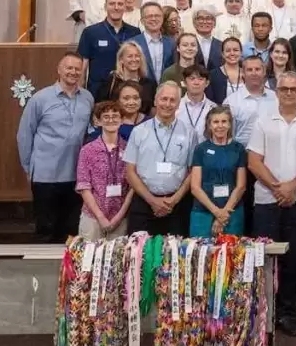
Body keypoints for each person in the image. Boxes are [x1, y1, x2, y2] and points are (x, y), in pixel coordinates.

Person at [247, 71, 296, 336]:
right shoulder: (263, 122)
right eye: (285, 89)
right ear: (277, 92)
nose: (289, 93)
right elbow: (254, 161)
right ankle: (263, 314)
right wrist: (278, 188)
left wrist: (291, 187)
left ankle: (288, 313)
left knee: (295, 258)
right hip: (267, 200)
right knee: (265, 258)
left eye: (294, 89)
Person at [17, 53, 95, 243]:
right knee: (46, 230)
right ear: (59, 70)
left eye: (77, 69)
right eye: (69, 68)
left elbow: (90, 133)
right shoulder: (40, 98)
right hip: (45, 175)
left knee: (71, 232)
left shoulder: (87, 98)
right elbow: (25, 134)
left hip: (76, 175)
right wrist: (29, 167)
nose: (73, 72)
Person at [124, 82, 198, 235]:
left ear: (179, 104)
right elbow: (130, 171)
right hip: (143, 204)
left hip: (176, 206)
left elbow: (193, 172)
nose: (168, 104)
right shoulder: (139, 131)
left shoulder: (190, 133)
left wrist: (175, 200)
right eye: (164, 99)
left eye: (173, 100)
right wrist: (152, 200)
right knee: (140, 255)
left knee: (174, 257)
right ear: (155, 101)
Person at [76, 101, 133, 240]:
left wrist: (119, 217)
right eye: (106, 116)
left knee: (117, 260)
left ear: (122, 120)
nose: (111, 119)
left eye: (115, 116)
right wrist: (101, 217)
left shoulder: (129, 149)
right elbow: (84, 186)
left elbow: (133, 186)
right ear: (98, 121)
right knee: (89, 259)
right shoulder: (88, 150)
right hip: (93, 217)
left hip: (121, 217)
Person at [189, 106, 247, 237]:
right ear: (209, 125)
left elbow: (241, 186)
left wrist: (224, 214)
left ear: (230, 124)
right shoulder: (201, 149)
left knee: (232, 255)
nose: (220, 126)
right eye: (215, 122)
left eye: (224, 121)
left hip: (232, 212)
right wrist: (217, 212)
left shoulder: (238, 149)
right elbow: (195, 187)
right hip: (203, 212)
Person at [78, 0, 141, 94]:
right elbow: (83, 67)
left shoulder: (134, 32)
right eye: (112, 4)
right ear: (105, 6)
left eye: (120, 4)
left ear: (125, 7)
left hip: (127, 93)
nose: (116, 7)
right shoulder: (90, 32)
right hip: (98, 93)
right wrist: (80, 94)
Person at [224, 56, 279, 146]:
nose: (254, 73)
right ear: (243, 73)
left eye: (257, 69)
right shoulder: (231, 102)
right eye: (249, 70)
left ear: (264, 72)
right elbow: (227, 135)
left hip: (271, 153)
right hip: (241, 155)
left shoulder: (276, 98)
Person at [95, 41, 157, 114]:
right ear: (121, 59)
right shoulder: (110, 82)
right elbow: (99, 108)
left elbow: (153, 110)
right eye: (130, 56)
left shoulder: (150, 84)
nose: (134, 59)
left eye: (137, 56)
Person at [129, 2, 176, 83]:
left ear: (162, 19)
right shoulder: (132, 44)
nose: (153, 19)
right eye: (149, 16)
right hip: (141, 91)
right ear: (142, 21)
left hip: (167, 91)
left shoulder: (172, 43)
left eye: (157, 16)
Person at [176, 65, 215, 139]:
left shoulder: (213, 108)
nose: (196, 82)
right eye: (192, 79)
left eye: (200, 79)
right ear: (184, 83)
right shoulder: (175, 106)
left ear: (207, 83)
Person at [208, 37, 245, 104]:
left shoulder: (248, 73)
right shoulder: (212, 75)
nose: (232, 53)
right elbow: (210, 102)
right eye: (228, 51)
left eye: (236, 50)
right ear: (222, 54)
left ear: (241, 52)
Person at [192, 4, 224, 71]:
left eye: (208, 18)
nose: (204, 22)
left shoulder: (221, 45)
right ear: (194, 23)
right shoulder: (188, 43)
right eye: (200, 18)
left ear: (214, 23)